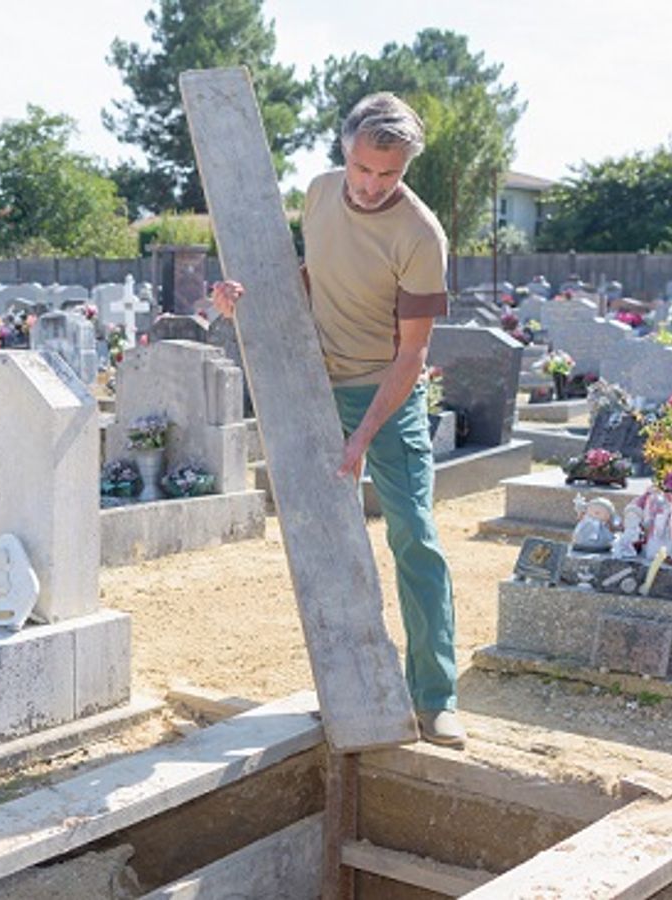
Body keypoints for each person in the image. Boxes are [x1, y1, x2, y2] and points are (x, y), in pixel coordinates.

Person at [212, 92, 464, 748]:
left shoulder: (420, 236)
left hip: (387, 394)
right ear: (344, 153)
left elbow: (412, 356)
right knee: (324, 536)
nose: (373, 185)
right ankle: (350, 689)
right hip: (313, 386)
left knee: (414, 535)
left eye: (389, 174)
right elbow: (312, 279)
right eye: (363, 169)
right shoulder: (321, 193)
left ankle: (435, 697)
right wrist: (242, 299)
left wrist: (362, 437)